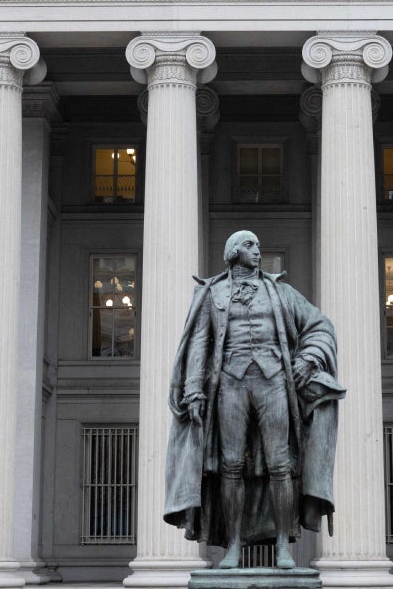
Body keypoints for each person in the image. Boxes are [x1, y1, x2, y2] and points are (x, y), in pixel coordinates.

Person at [164, 230, 344, 570]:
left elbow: (320, 326)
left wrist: (308, 358)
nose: (258, 250)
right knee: (231, 466)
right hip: (229, 383)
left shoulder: (281, 292)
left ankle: (282, 546)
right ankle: (232, 545)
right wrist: (192, 389)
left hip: (274, 381)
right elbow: (200, 342)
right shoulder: (211, 294)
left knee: (280, 465)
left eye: (259, 245)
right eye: (250, 245)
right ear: (233, 252)